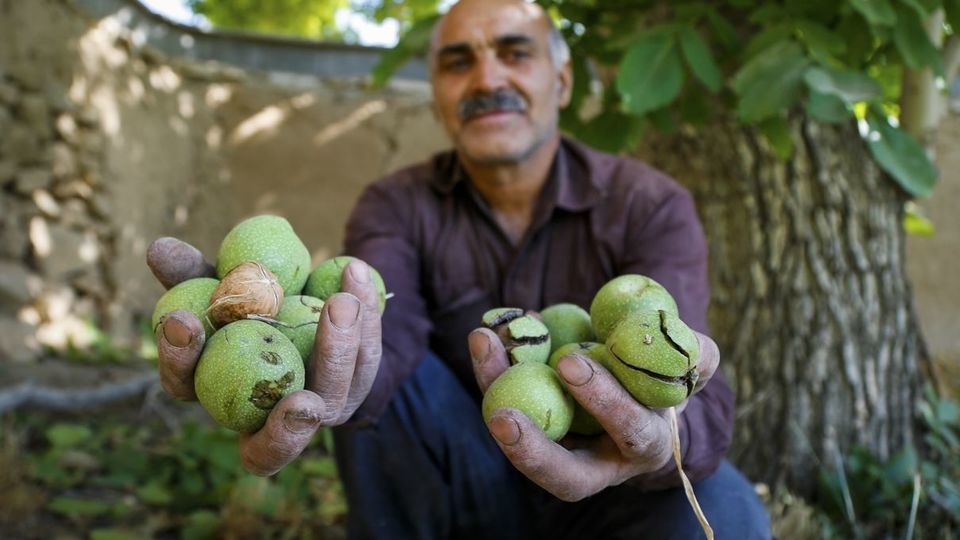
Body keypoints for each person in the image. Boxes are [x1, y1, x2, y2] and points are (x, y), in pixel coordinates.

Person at [148, 0, 772, 538]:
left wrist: (659, 443)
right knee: (373, 349)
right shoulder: (395, 203)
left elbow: (698, 391)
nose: (486, 77)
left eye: (514, 52)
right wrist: (322, 371)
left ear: (562, 80)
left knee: (729, 513)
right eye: (458, 62)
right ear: (438, 94)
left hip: (614, 497)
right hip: (461, 480)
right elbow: (378, 347)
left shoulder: (649, 203)